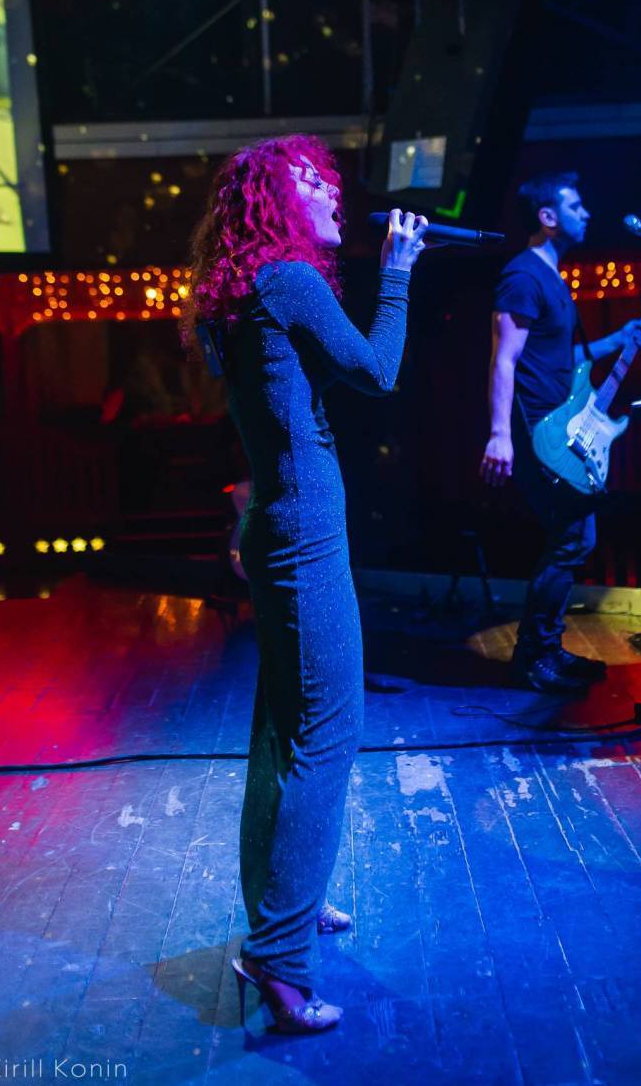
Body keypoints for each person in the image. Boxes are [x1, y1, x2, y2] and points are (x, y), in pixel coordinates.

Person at [185, 135, 427, 1033]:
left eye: (328, 180)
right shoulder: (287, 280)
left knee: (284, 730)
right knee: (329, 732)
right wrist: (398, 272)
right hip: (305, 532)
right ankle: (278, 960)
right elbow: (378, 371)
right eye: (309, 183)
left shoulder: (248, 287)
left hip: (281, 521)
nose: (330, 193)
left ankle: (286, 905)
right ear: (275, 203)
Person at [480, 171, 641, 693]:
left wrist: (616, 340)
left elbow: (558, 357)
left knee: (574, 537)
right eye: (576, 206)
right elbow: (504, 359)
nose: (587, 213)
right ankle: (535, 657)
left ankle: (545, 649)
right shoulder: (523, 276)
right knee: (574, 536)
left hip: (560, 423)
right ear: (548, 217)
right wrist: (499, 434)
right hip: (539, 430)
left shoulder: (552, 278)